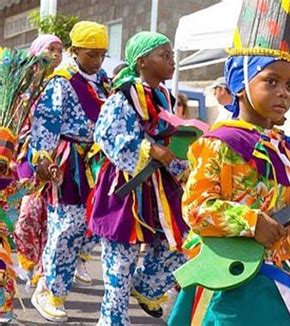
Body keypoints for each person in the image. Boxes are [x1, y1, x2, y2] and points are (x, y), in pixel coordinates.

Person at [169, 1, 290, 324]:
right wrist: (251, 221)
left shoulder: (284, 151)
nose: (284, 93)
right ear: (239, 83)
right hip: (230, 282)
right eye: (271, 81)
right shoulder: (219, 143)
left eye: (289, 84)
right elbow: (196, 209)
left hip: (277, 277)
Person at [89, 31, 187, 325]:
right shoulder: (123, 94)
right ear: (142, 61)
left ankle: (145, 286)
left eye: (171, 56)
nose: (171, 61)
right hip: (125, 188)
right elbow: (106, 134)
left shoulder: (165, 97)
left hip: (160, 188)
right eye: (164, 55)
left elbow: (170, 141)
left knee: (179, 247)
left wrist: (183, 166)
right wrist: (149, 149)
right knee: (119, 266)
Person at [29, 21, 110, 322]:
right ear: (75, 51)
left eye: (103, 54)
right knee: (65, 230)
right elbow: (45, 124)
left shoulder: (104, 82)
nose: (98, 60)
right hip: (67, 164)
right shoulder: (61, 82)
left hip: (97, 164)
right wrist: (43, 160)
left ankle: (53, 275)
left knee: (91, 229)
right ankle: (50, 291)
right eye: (92, 54)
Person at [14, 34, 64, 291]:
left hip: (61, 159)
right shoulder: (23, 86)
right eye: (51, 49)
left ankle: (44, 271)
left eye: (60, 49)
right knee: (27, 214)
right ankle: (26, 259)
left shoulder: (66, 85)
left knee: (51, 218)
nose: (56, 54)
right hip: (27, 158)